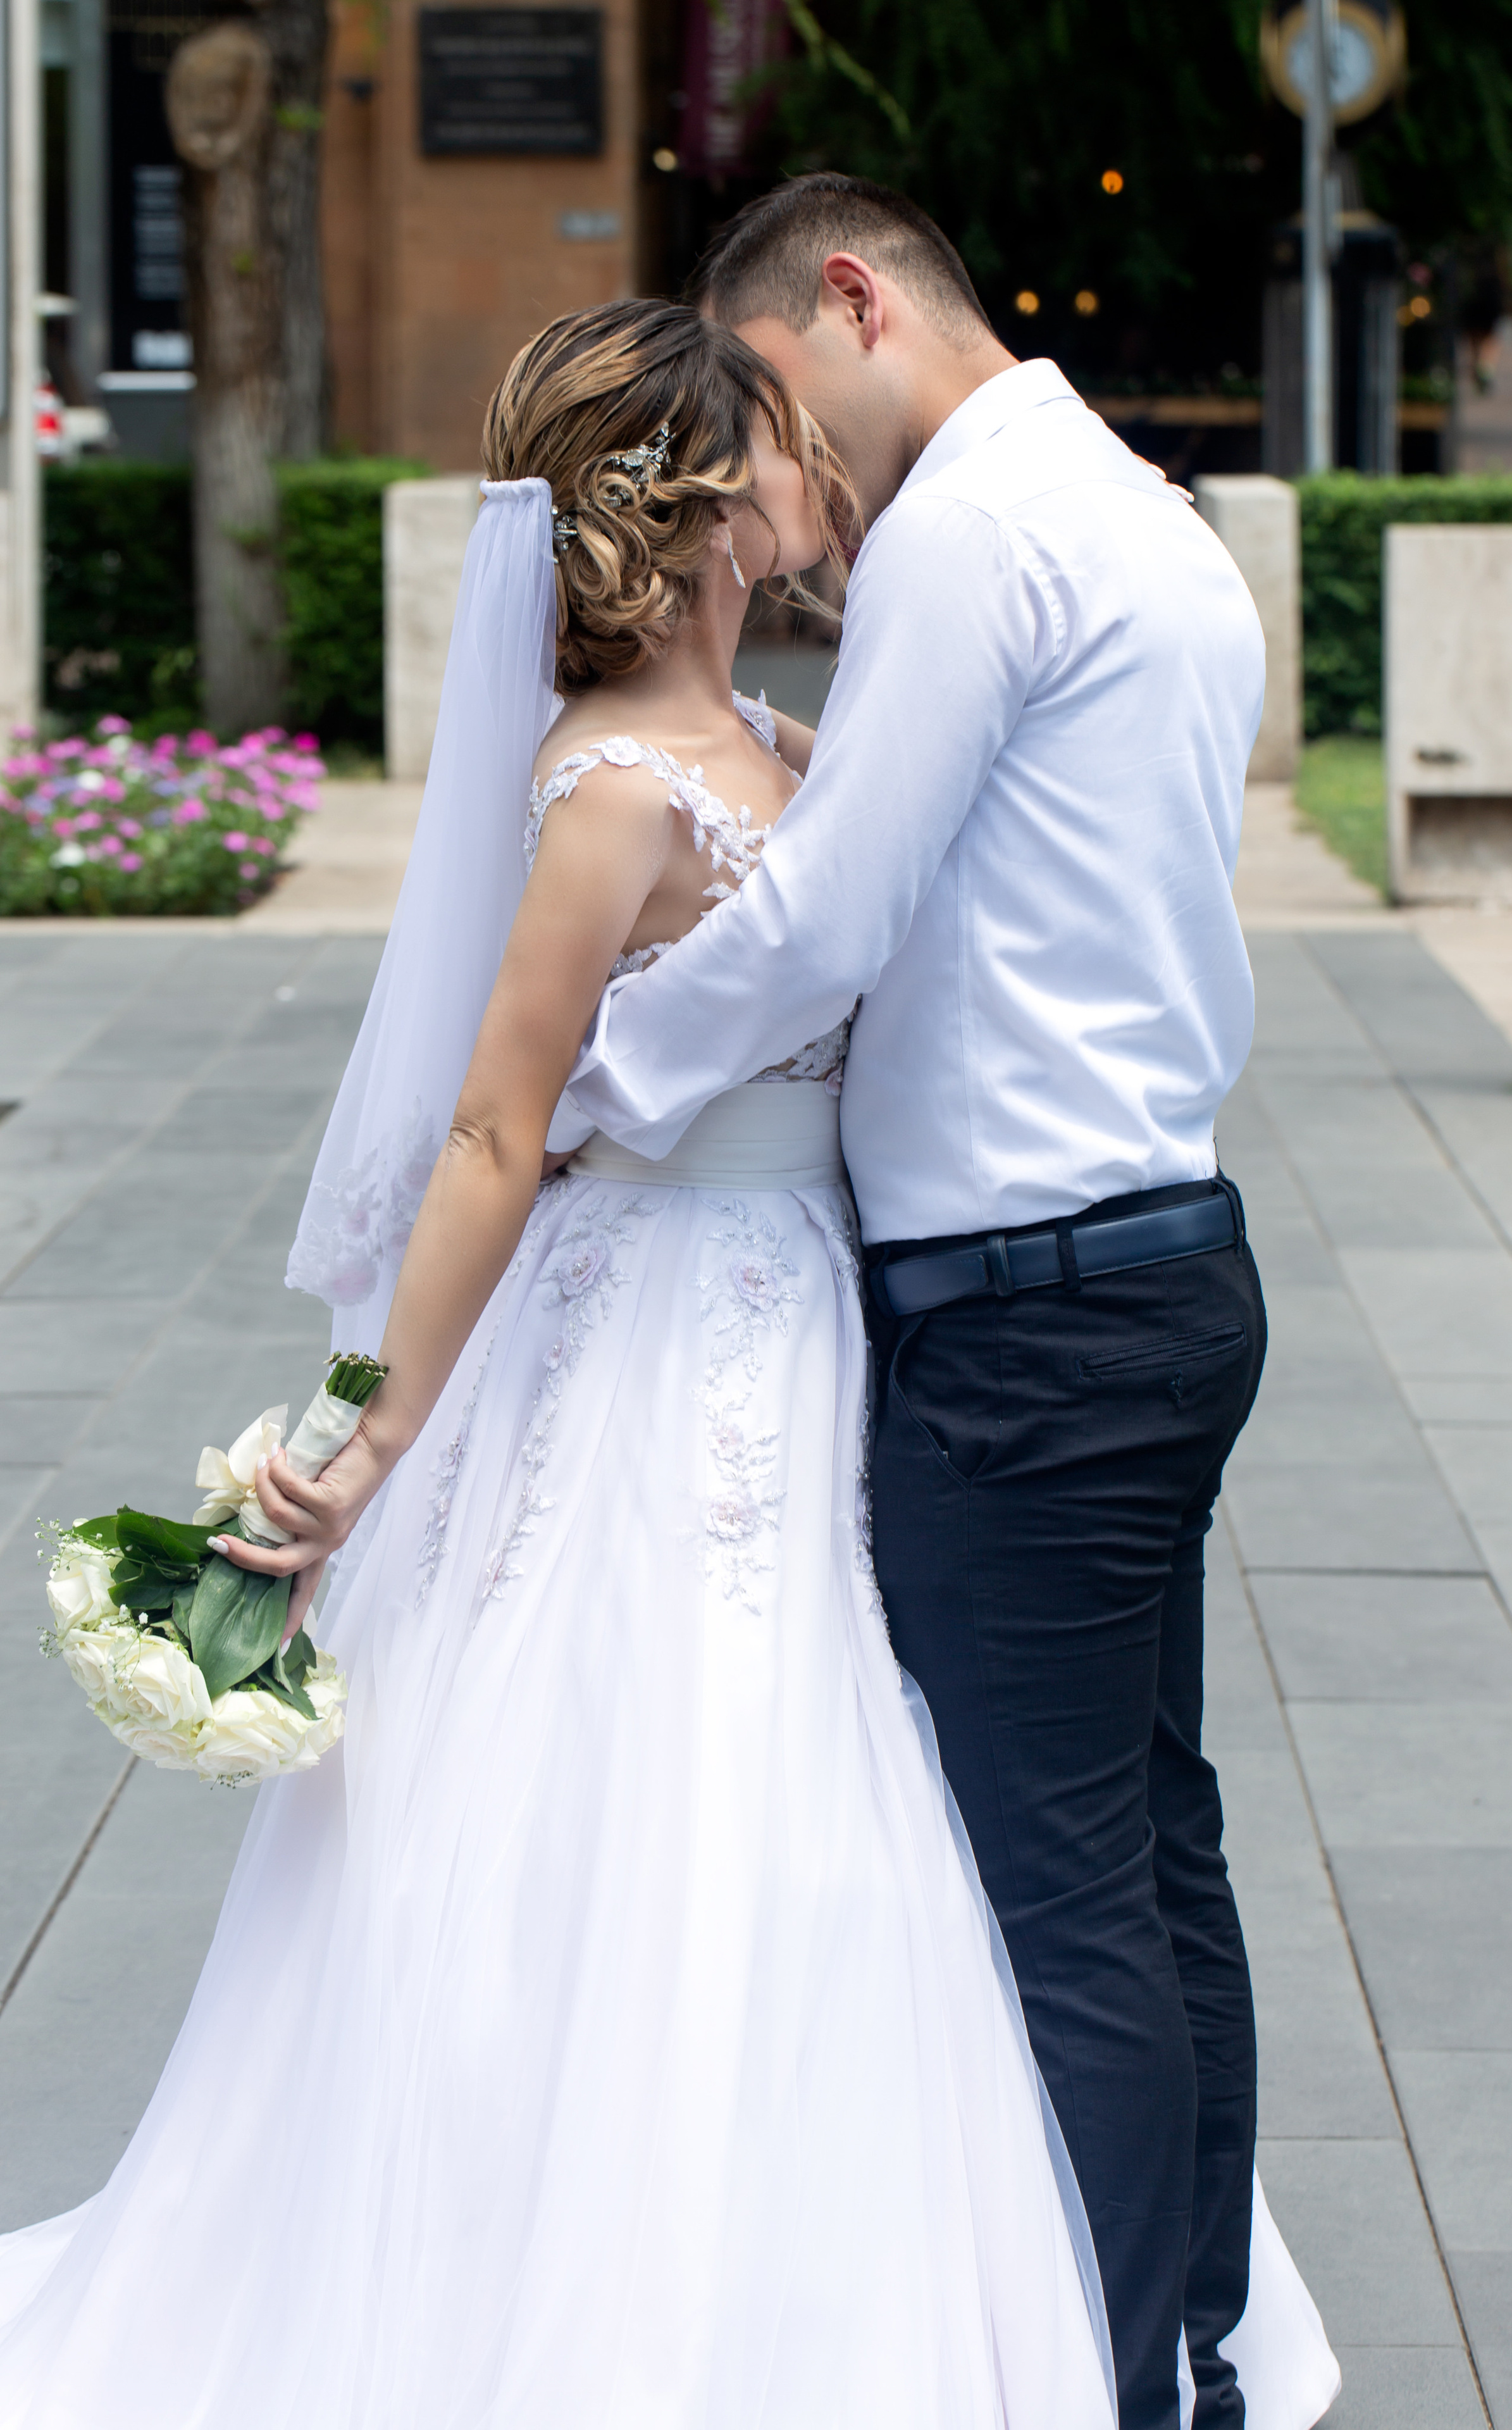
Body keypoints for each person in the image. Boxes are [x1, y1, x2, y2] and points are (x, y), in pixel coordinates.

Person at [0, 300, 1117, 2430]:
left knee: (788, 1786)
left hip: (796, 1318)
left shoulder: (788, 751)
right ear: (702, 515)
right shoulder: (613, 793)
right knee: (650, 1770)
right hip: (653, 1323)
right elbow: (502, 1128)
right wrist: (369, 1433)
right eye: (784, 453)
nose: (821, 483)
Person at [550, 176, 1337, 2430]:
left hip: (1029, 1308)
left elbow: (823, 916)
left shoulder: (977, 534)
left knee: (1059, 1892)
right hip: (1152, 1259)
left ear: (853, 298)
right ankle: (1179, 2339)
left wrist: (581, 1083)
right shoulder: (1138, 517)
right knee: (1148, 1859)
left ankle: (1115, 2382)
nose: (772, 501)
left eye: (770, 408)